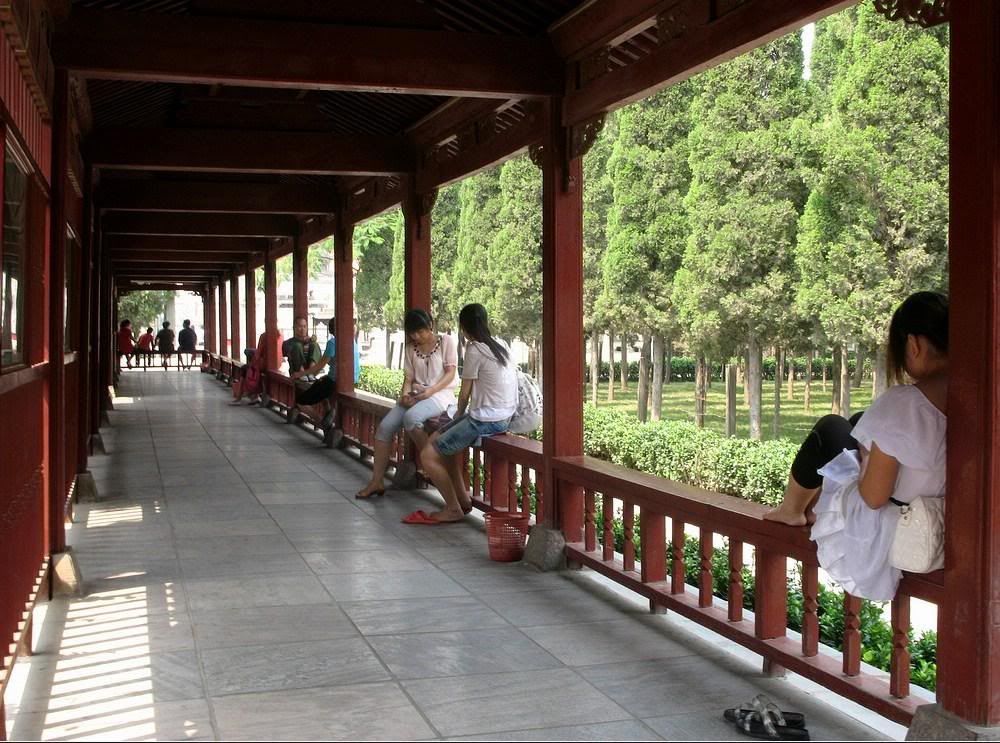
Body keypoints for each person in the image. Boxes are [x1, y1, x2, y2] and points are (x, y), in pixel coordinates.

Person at [763, 292, 948, 601]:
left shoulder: (904, 403)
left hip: (889, 527)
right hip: (936, 514)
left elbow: (873, 497)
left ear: (913, 344)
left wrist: (866, 459)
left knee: (831, 428)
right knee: (860, 421)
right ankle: (802, 505)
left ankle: (791, 510)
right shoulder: (977, 397)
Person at [403, 303, 517, 525]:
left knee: (428, 456)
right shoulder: (501, 345)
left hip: (486, 419)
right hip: (502, 416)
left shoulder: (474, 349)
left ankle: (453, 509)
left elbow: (464, 394)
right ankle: (463, 501)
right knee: (436, 438)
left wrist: (457, 417)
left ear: (463, 327)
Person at [356, 309, 458, 499]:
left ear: (430, 326)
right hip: (416, 395)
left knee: (412, 417)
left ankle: (430, 459)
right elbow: (409, 378)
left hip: (441, 395)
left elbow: (450, 373)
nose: (416, 336)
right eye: (413, 333)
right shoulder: (411, 348)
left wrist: (431, 391)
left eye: (420, 331)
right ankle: (376, 481)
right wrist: (404, 396)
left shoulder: (446, 341)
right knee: (385, 427)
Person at [290, 317, 360, 428]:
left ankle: (321, 422)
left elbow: (320, 365)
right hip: (353, 381)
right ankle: (330, 412)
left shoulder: (333, 342)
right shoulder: (352, 341)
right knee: (321, 385)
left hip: (334, 381)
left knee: (300, 402)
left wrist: (299, 374)